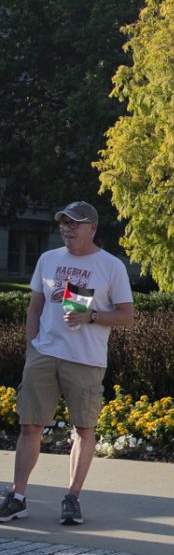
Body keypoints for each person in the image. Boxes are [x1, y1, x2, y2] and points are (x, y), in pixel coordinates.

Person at [0, 201, 134, 527]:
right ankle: (17, 497)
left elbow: (127, 316)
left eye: (75, 223)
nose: (67, 228)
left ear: (93, 228)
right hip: (44, 355)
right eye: (63, 223)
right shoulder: (48, 260)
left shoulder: (110, 266)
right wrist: (33, 348)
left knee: (83, 429)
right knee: (30, 424)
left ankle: (72, 497)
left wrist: (92, 316)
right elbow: (35, 308)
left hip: (86, 360)